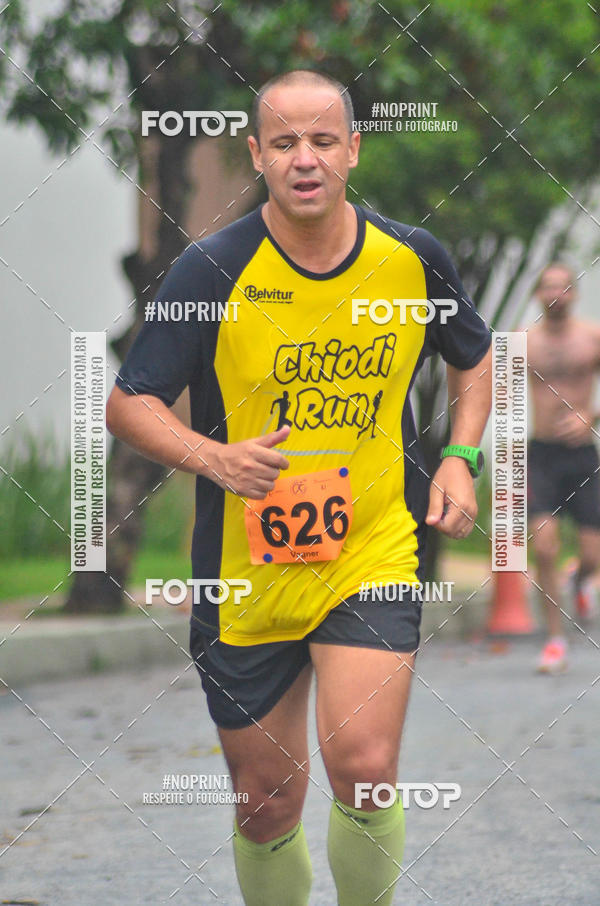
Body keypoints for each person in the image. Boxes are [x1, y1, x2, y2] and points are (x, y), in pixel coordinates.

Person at [106, 69, 492, 906]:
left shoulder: (410, 261)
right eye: (284, 143)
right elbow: (129, 401)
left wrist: (463, 455)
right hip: (246, 573)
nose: (305, 158)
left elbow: (474, 355)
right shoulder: (212, 270)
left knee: (365, 766)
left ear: (353, 150)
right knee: (266, 801)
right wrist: (215, 460)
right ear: (257, 155)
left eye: (323, 140)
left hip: (373, 548)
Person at [527, 262, 600, 674]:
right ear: (539, 294)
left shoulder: (592, 338)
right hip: (541, 456)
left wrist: (591, 414)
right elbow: (488, 386)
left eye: (562, 287)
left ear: (573, 293)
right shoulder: (524, 343)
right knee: (544, 546)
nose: (554, 293)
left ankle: (581, 580)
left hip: (582, 455)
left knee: (593, 555)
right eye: (547, 287)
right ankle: (555, 638)